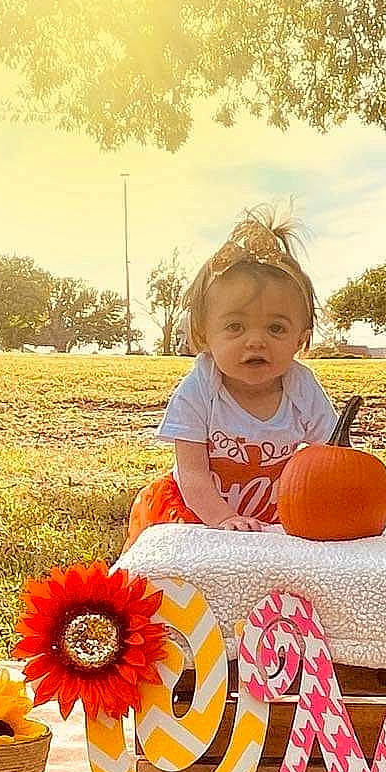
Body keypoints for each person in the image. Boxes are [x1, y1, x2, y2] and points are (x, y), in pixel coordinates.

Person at [124, 204, 338, 549]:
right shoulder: (200, 389)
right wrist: (223, 519)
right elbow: (193, 474)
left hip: (269, 520)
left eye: (276, 328)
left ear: (301, 338)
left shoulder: (302, 387)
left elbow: (335, 458)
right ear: (204, 335)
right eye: (235, 326)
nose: (256, 340)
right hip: (199, 513)